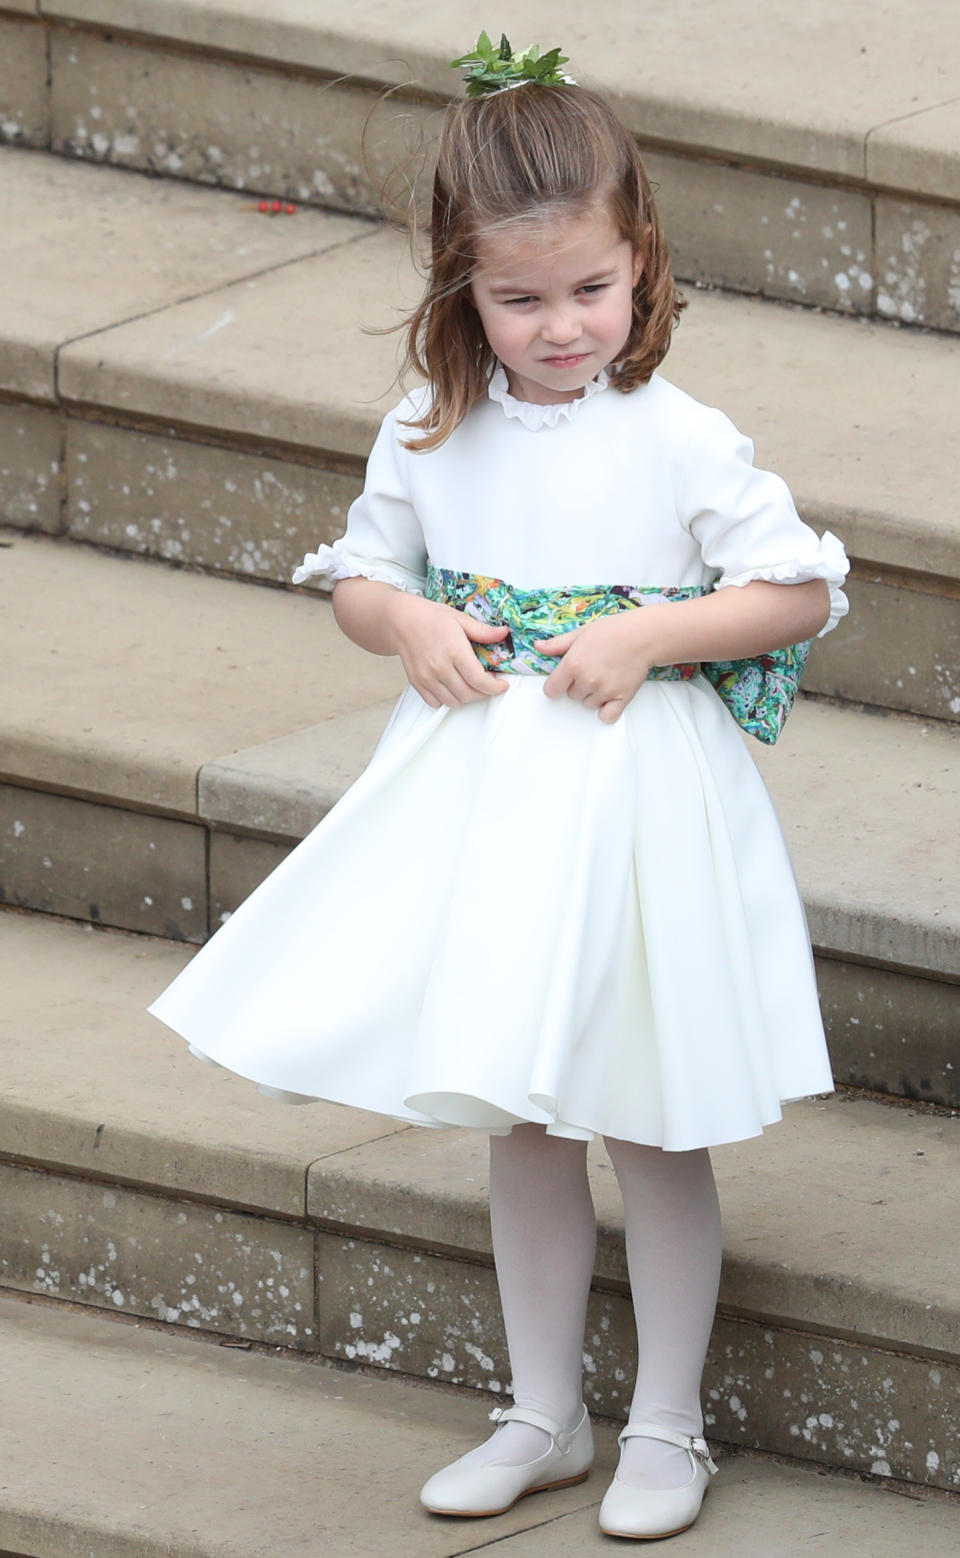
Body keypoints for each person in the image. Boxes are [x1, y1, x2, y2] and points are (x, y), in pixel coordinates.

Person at [149, 34, 849, 1542]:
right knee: (521, 1118)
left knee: (652, 1116)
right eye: (519, 298)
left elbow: (796, 592)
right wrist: (403, 622)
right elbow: (363, 572)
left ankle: (669, 1423)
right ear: (458, 286)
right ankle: (544, 1408)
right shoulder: (428, 432)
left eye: (589, 290)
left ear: (640, 261)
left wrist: (658, 629)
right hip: (490, 808)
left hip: (635, 805)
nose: (559, 326)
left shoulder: (681, 440)